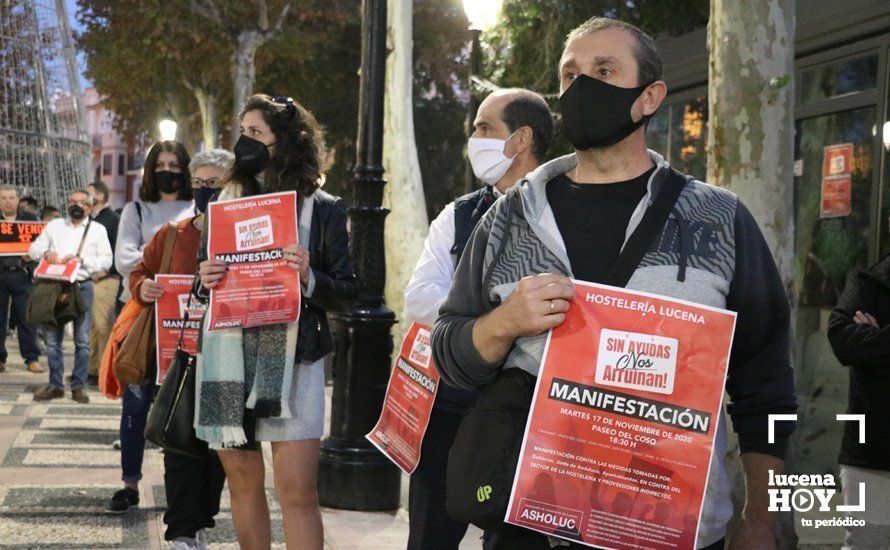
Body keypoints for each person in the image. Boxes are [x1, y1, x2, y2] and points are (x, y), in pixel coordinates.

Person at [431, 17, 797, 550]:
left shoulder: (718, 220)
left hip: (669, 526)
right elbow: (449, 353)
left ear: (649, 97)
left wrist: (762, 521)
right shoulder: (507, 219)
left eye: (604, 70)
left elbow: (766, 385)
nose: (582, 88)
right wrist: (503, 323)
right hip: (527, 526)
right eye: (570, 75)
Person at [197, 94, 355, 550]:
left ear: (284, 141)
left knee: (297, 493)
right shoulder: (223, 205)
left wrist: (308, 275)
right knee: (243, 486)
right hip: (227, 355)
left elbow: (346, 292)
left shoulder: (322, 207)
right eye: (242, 132)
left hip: (295, 362)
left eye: (255, 134)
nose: (243, 143)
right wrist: (203, 277)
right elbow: (202, 279)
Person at [402, 88, 553, 550]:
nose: (474, 139)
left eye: (485, 128)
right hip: (451, 405)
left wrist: (466, 310)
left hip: (532, 416)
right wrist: (508, 315)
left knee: (513, 536)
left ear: (521, 138)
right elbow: (420, 300)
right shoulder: (459, 214)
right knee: (431, 532)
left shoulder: (561, 210)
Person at [124, 149, 232, 550]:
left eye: (215, 184)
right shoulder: (173, 234)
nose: (207, 191)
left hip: (230, 359)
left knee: (221, 446)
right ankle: (182, 530)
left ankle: (201, 517)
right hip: (181, 359)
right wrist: (144, 288)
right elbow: (140, 272)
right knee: (180, 441)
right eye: (200, 183)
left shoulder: (245, 235)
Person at [107, 141, 194, 514]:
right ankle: (129, 483)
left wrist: (154, 258)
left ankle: (186, 493)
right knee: (137, 401)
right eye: (161, 164)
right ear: (149, 169)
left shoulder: (197, 209)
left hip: (188, 318)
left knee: (183, 404)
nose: (168, 170)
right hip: (146, 315)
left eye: (175, 164)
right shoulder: (136, 209)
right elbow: (124, 258)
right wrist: (154, 269)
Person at [827, 257, 890, 549]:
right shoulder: (868, 281)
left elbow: (860, 346)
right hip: (871, 454)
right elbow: (842, 338)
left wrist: (876, 342)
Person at [28, 189, 113, 403]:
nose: (76, 205)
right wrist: (44, 253)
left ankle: (78, 385)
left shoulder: (98, 230)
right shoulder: (55, 226)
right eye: (72, 201)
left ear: (89, 206)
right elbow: (33, 249)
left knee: (82, 341)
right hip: (53, 286)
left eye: (81, 202)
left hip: (82, 286)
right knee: (53, 341)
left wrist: (81, 260)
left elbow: (106, 261)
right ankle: (55, 385)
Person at [0, 184, 42, 374]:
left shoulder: (31, 219)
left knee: (26, 318)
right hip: (1, 273)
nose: (7, 201)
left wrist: (32, 254)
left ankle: (31, 358)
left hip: (22, 273)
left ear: (18, 200)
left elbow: (41, 243)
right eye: (3, 198)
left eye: (11, 197)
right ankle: (0, 359)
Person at [86, 181, 121, 386]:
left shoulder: (113, 220)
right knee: (91, 328)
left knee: (103, 326)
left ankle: (105, 372)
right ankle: (92, 370)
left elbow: (118, 252)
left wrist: (106, 270)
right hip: (90, 281)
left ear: (99, 196)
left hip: (106, 281)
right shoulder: (92, 220)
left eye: (89, 195)